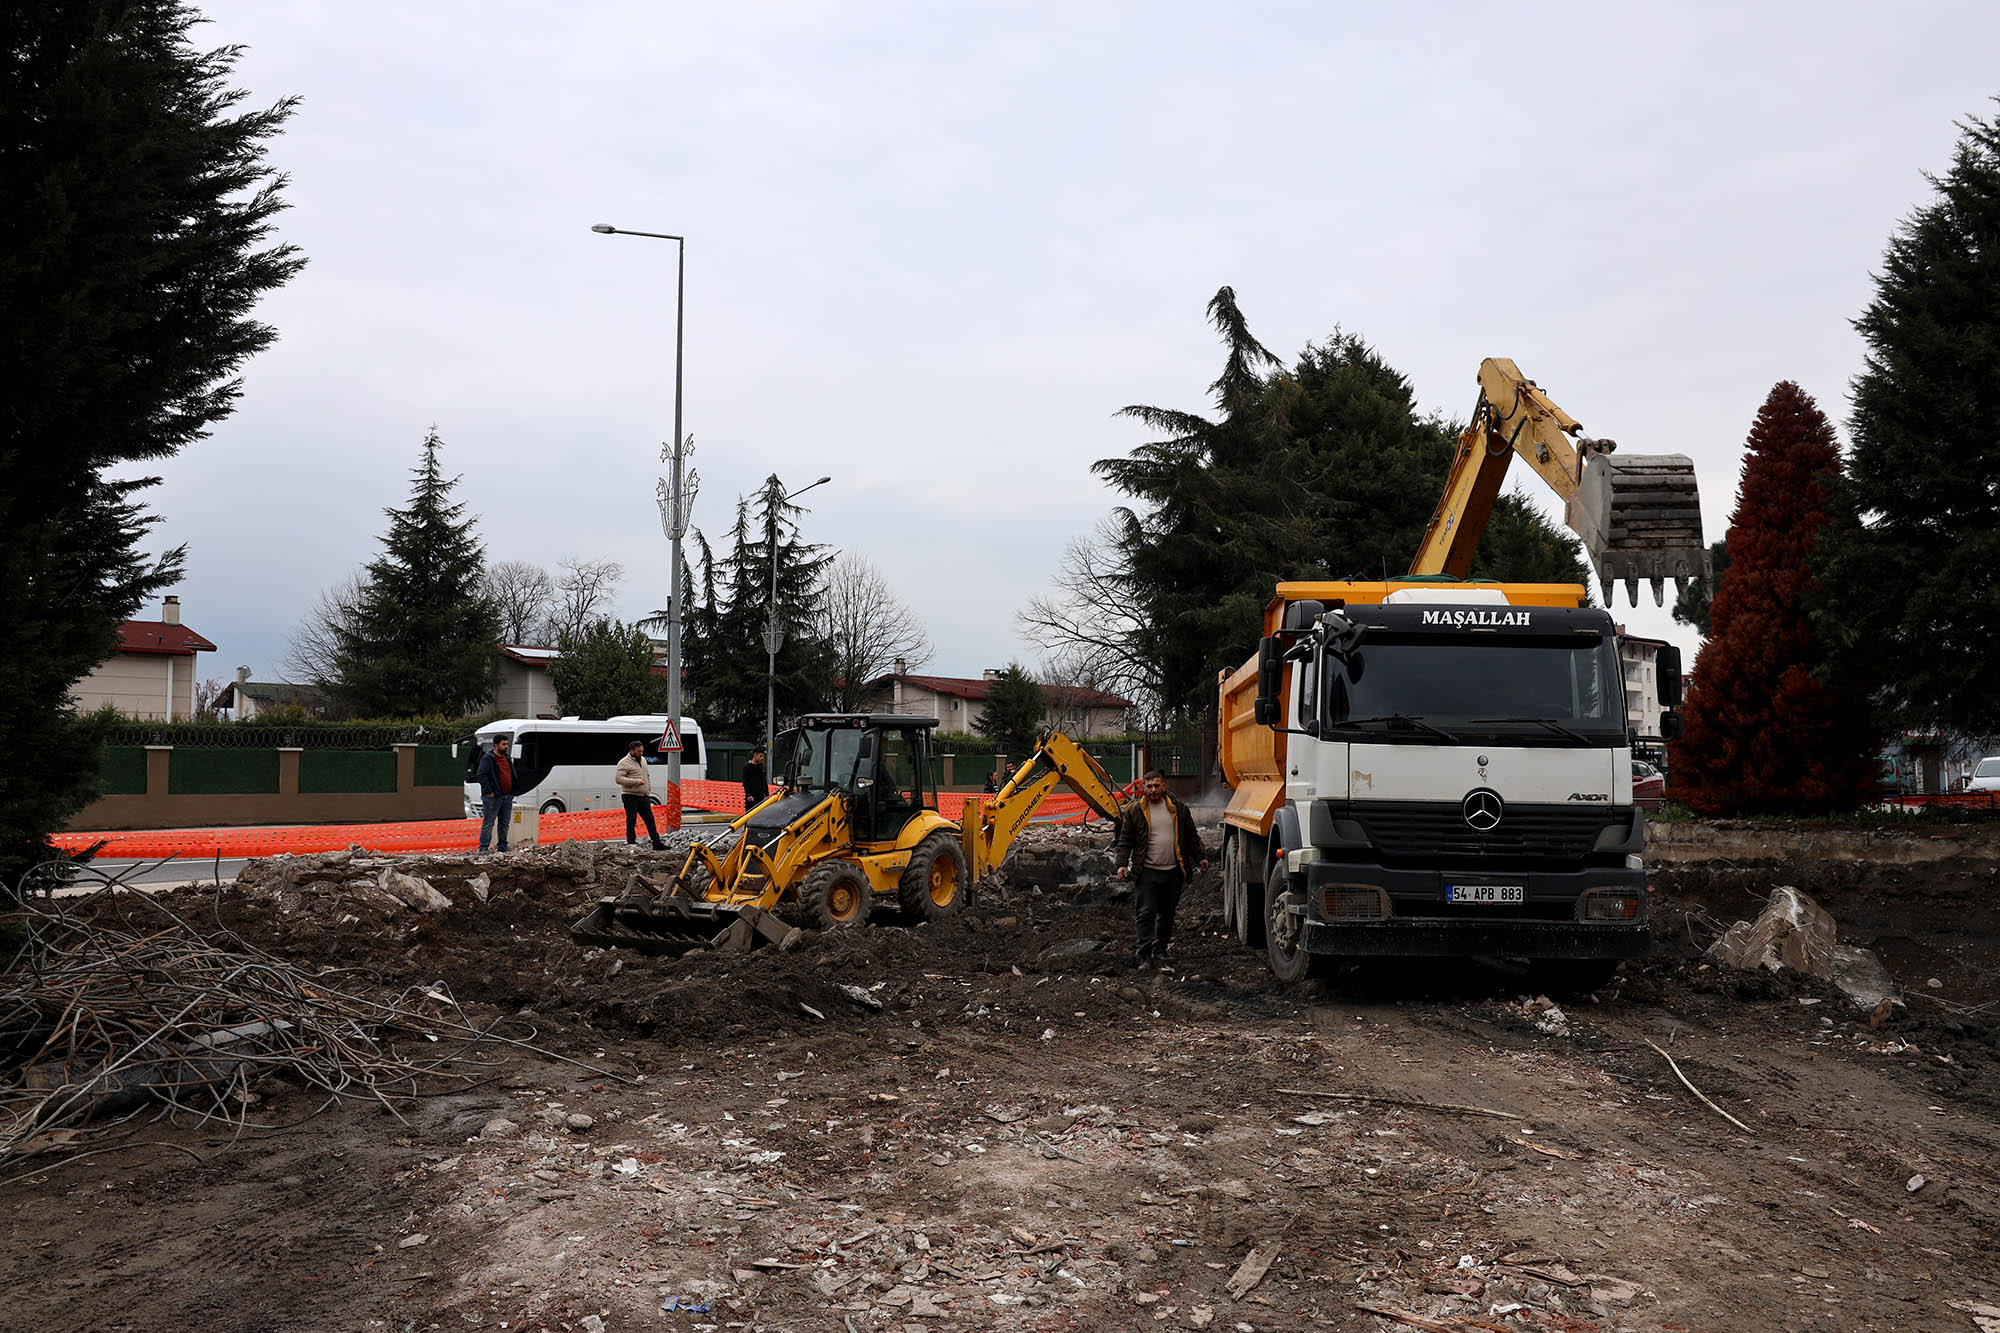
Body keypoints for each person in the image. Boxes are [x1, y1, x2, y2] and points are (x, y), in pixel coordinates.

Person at [1113, 769, 1209, 970]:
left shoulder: (1178, 809)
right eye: (1149, 786)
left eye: (1157, 786)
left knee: (1167, 913)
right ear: (1143, 788)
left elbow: (1191, 835)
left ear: (1163, 786)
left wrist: (1201, 857)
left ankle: (1160, 951)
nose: (1153, 790)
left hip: (1174, 871)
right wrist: (1121, 864)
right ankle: (1144, 955)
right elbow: (1125, 840)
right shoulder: (1135, 811)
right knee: (1146, 912)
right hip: (1146, 871)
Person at [615, 739, 668, 851]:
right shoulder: (623, 762)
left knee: (650, 820)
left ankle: (657, 843)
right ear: (632, 751)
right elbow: (618, 779)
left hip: (643, 796)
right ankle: (631, 842)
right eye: (639, 751)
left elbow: (647, 776)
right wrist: (635, 782)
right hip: (630, 796)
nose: (641, 753)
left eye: (642, 751)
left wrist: (648, 789)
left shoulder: (643, 760)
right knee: (631, 820)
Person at [475, 735, 517, 855]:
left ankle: (502, 846)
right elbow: (482, 775)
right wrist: (489, 791)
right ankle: (483, 848)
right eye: (503, 744)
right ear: (496, 745)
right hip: (493, 798)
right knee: (489, 823)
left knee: (504, 823)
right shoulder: (488, 758)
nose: (506, 746)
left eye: (507, 744)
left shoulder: (507, 758)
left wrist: (513, 790)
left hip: (507, 796)